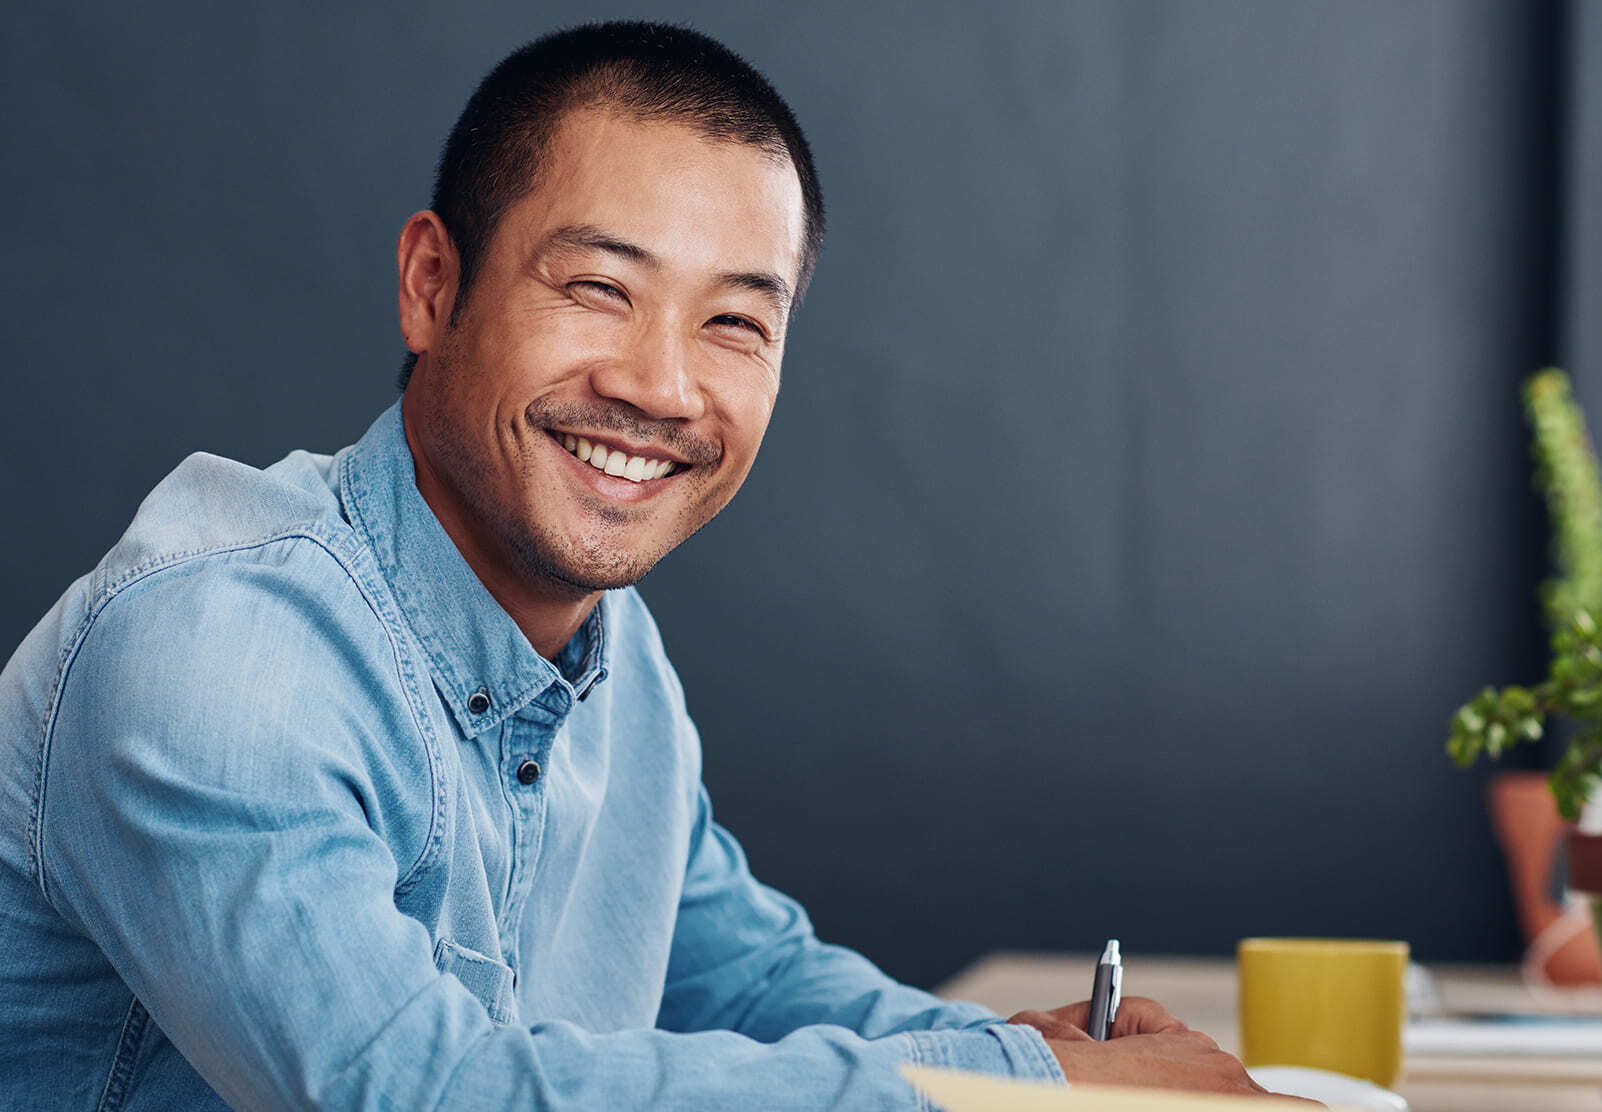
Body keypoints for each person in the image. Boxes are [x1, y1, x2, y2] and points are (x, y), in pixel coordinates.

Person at [0, 22, 1279, 1109]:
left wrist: (1059, 1059)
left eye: (734, 321)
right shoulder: (222, 648)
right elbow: (412, 1089)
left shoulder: (614, 657)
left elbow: (747, 976)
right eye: (600, 288)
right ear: (433, 285)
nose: (661, 386)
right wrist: (1013, 1083)